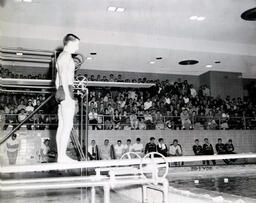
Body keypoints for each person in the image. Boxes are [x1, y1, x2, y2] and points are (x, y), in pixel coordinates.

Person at [55, 33, 80, 163]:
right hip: (66, 90)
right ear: (69, 43)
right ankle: (62, 156)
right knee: (68, 125)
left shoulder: (59, 57)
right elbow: (64, 77)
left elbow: (56, 80)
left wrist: (60, 94)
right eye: (76, 44)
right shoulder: (66, 56)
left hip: (60, 91)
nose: (77, 47)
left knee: (62, 125)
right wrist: (68, 96)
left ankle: (60, 156)